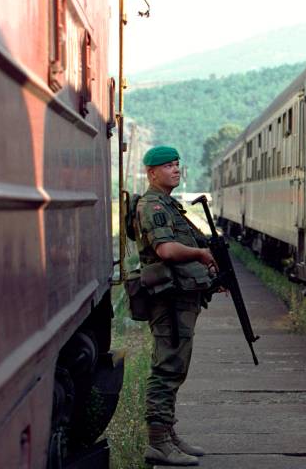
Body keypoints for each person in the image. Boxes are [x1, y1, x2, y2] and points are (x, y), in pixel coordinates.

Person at [134, 146, 216, 466]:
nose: (176, 170)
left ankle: (167, 434)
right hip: (168, 300)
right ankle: (157, 443)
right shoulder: (153, 205)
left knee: (176, 368)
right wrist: (200, 255)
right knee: (167, 369)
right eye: (168, 166)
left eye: (178, 164)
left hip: (180, 295)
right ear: (152, 173)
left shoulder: (169, 205)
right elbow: (167, 250)